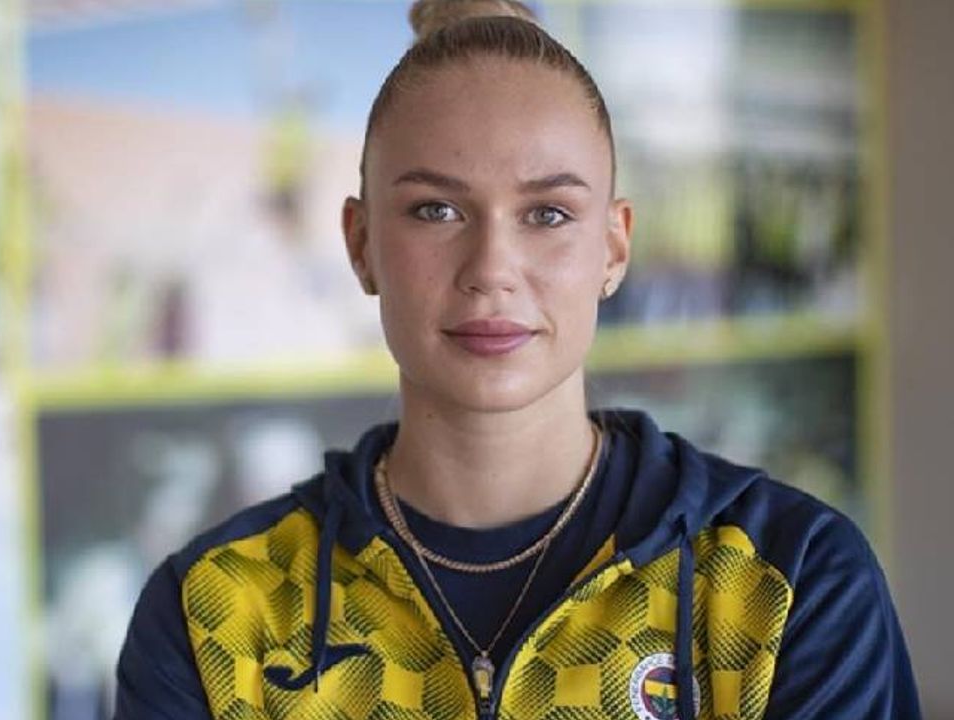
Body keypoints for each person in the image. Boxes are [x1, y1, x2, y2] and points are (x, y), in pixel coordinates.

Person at [113, 1, 919, 718]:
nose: (492, 268)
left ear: (614, 248)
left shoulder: (791, 581)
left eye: (548, 213)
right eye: (436, 209)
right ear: (361, 245)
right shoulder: (218, 611)